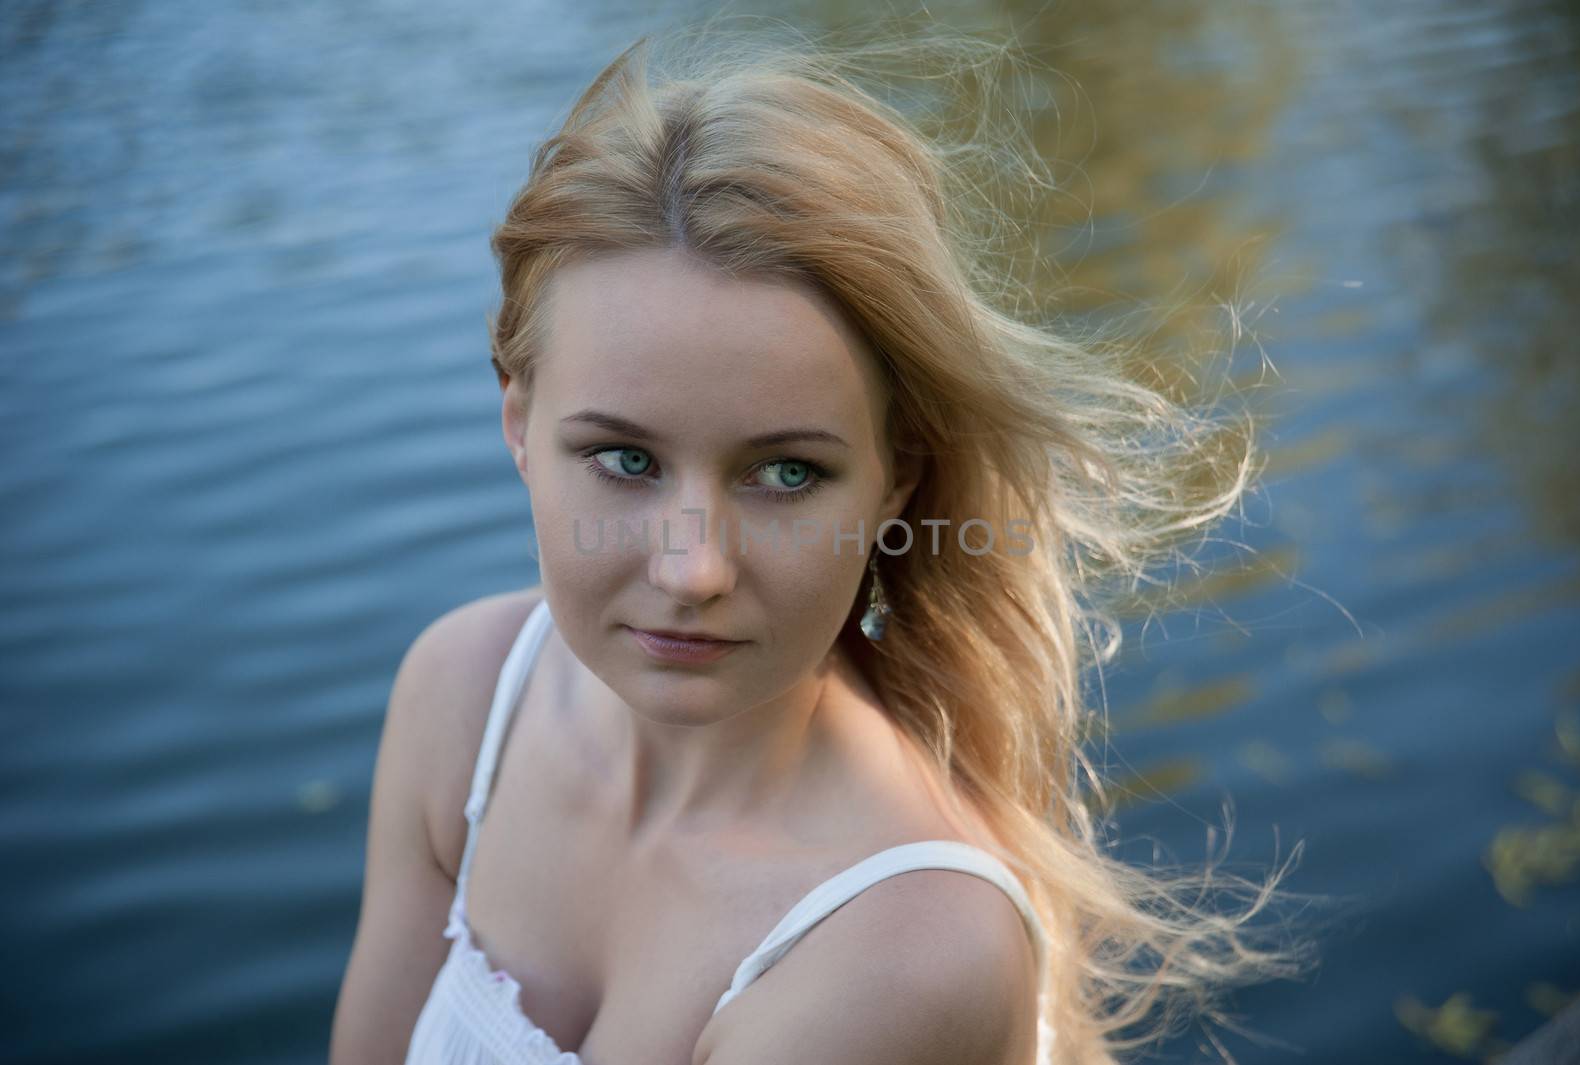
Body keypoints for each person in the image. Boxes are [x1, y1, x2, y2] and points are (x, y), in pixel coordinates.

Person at [331, 19, 1313, 1065]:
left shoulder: (899, 952)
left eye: (786, 473)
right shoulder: (461, 699)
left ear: (899, 478)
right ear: (518, 421)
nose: (693, 569)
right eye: (623, 460)